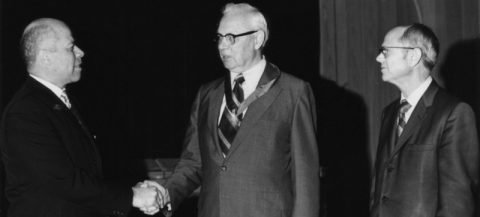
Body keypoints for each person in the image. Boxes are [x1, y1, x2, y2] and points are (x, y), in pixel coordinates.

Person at [153, 3, 320, 217]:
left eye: (231, 37)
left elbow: (306, 182)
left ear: (257, 39)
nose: (223, 46)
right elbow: (192, 163)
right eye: (219, 38)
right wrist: (167, 195)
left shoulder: (293, 93)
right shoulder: (207, 95)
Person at [0, 18, 165, 217]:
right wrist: (132, 196)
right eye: (71, 47)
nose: (80, 52)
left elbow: (89, 172)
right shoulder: (25, 112)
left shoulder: (64, 103)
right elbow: (63, 181)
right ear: (45, 57)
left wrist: (134, 190)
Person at [370, 23, 479, 217]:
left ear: (414, 56)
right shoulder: (389, 113)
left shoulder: (454, 113)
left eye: (385, 51)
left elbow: (457, 205)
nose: (379, 58)